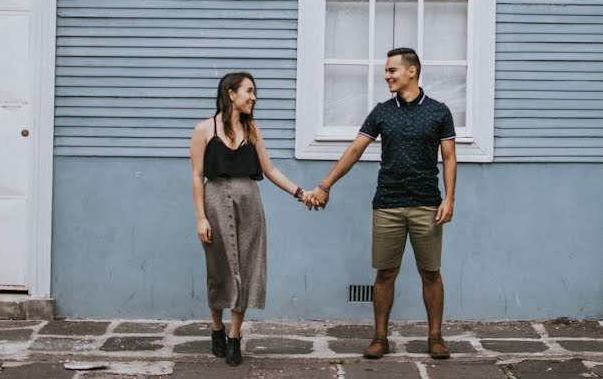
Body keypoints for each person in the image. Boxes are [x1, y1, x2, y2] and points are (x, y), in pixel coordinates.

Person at [305, 48, 457, 359]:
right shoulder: (382, 112)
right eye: (386, 71)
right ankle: (379, 338)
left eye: (392, 71)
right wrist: (325, 184)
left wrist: (449, 199)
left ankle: (436, 337)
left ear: (411, 72)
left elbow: (450, 157)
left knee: (431, 272)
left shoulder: (440, 112)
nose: (386, 76)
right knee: (385, 273)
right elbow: (354, 150)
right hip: (387, 203)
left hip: (427, 204)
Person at [190, 72, 309, 366]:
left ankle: (234, 338)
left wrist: (300, 192)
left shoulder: (253, 130)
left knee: (246, 268)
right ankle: (217, 328)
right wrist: (201, 218)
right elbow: (196, 176)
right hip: (215, 201)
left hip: (249, 202)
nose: (254, 97)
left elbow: (269, 170)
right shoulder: (204, 130)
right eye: (249, 91)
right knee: (219, 270)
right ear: (231, 93)